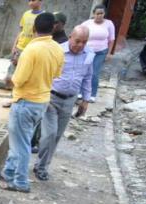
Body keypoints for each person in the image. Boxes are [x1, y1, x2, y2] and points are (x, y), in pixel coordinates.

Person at [0, 12, 64, 193]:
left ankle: (20, 182)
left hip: (25, 101)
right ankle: (8, 171)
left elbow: (18, 80)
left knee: (21, 145)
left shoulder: (31, 50)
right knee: (20, 140)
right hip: (41, 101)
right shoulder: (58, 49)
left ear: (34, 28)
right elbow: (57, 74)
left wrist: (9, 77)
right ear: (53, 28)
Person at [33, 26, 93, 181]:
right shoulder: (56, 50)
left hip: (70, 100)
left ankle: (42, 166)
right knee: (50, 134)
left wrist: (85, 100)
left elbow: (87, 78)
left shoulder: (88, 55)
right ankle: (40, 164)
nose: (80, 45)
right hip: (51, 98)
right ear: (71, 37)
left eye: (84, 42)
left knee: (57, 136)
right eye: (77, 41)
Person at [81, 5, 116, 101]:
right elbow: (79, 33)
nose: (99, 15)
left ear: (104, 14)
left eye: (102, 13)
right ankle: (81, 92)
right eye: (97, 13)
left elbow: (111, 39)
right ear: (93, 14)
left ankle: (92, 94)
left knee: (94, 73)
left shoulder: (109, 24)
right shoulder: (87, 23)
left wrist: (109, 53)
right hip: (87, 51)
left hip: (101, 52)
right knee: (84, 72)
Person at [7, 0, 44, 88]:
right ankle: (13, 95)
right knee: (12, 72)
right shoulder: (26, 14)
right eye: (29, 0)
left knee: (25, 74)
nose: (30, 3)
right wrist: (14, 46)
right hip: (20, 48)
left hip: (32, 50)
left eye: (33, 0)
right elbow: (21, 31)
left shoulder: (43, 17)